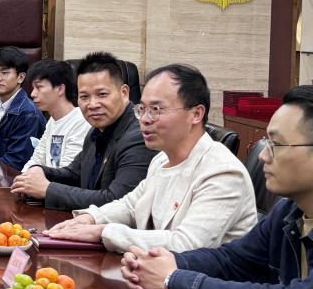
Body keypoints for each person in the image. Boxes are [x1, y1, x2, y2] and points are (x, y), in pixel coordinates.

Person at [120, 85, 313, 289]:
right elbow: (231, 260)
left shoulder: (222, 169)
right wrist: (166, 263)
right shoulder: (288, 212)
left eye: (276, 144)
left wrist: (174, 280)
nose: (263, 155)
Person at [44, 64, 257, 253]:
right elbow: (130, 205)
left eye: (156, 109)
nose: (145, 120)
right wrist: (89, 219)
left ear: (196, 114)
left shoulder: (223, 172)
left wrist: (103, 232)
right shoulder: (161, 159)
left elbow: (187, 244)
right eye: (142, 109)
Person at [11, 52, 156, 211]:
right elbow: (73, 174)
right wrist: (40, 171)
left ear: (124, 93)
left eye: (102, 94)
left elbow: (117, 201)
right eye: (84, 96)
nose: (92, 104)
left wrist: (47, 189)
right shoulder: (95, 131)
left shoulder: (139, 135)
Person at [0, 47, 46, 168]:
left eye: (4, 72)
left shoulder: (28, 113)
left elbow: (17, 161)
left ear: (21, 77)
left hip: (12, 177)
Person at [21, 59, 90, 171]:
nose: (33, 94)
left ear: (60, 89)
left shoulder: (81, 121)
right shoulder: (52, 121)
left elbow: (68, 172)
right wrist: (22, 177)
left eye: (39, 87)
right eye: (33, 88)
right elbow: (37, 159)